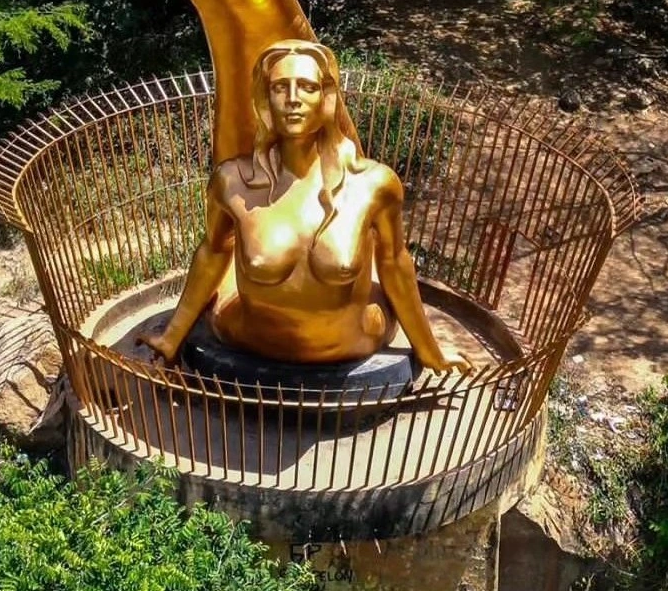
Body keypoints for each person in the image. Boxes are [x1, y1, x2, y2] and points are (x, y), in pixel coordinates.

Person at [139, 39, 472, 374]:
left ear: (326, 97)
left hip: (354, 339)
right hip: (250, 338)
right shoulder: (232, 182)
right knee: (231, 261)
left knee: (355, 257)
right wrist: (172, 336)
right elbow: (212, 252)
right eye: (280, 87)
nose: (293, 99)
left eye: (307, 87)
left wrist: (430, 350)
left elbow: (394, 262)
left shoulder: (373, 184)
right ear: (265, 98)